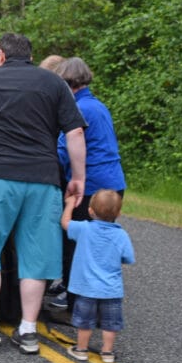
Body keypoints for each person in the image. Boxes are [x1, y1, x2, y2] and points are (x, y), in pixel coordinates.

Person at [0, 32, 87, 354]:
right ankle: (28, 331)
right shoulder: (53, 84)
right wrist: (78, 178)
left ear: (0, 55)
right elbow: (75, 132)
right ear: (30, 55)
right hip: (43, 179)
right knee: (37, 255)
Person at [47, 57, 126, 310]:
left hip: (92, 185)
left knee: (74, 243)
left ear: (66, 82)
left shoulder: (77, 109)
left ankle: (73, 301)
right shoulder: (98, 105)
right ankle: (101, 297)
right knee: (100, 245)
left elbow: (64, 149)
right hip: (113, 181)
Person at [60, 190, 135, 363]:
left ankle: (81, 349)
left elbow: (65, 223)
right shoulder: (121, 235)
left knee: (84, 321)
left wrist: (70, 204)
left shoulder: (84, 228)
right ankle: (107, 352)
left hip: (86, 288)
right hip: (111, 290)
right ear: (118, 214)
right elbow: (128, 258)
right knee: (110, 322)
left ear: (90, 211)